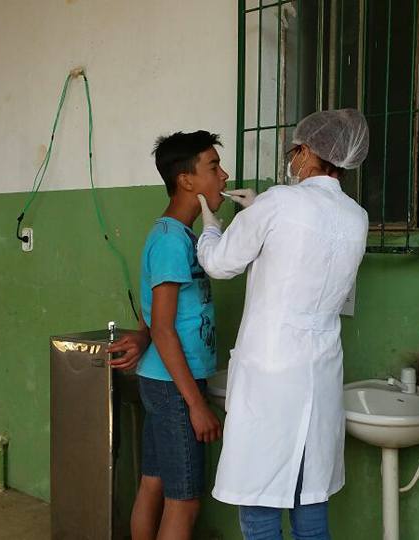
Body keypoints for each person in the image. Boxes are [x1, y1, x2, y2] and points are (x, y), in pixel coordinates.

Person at [194, 109, 370, 540]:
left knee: (259, 508)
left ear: (308, 152)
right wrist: (261, 212)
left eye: (294, 151)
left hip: (271, 374)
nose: (291, 161)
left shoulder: (280, 202)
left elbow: (219, 264)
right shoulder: (356, 217)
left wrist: (211, 228)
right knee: (309, 505)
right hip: (320, 371)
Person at [108, 130, 233, 540]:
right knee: (185, 500)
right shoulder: (169, 241)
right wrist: (196, 404)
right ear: (186, 180)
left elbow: (157, 322)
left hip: (165, 381)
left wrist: (144, 337)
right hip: (175, 388)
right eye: (213, 167)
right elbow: (163, 328)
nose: (224, 176)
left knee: (155, 483)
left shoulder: (179, 235)